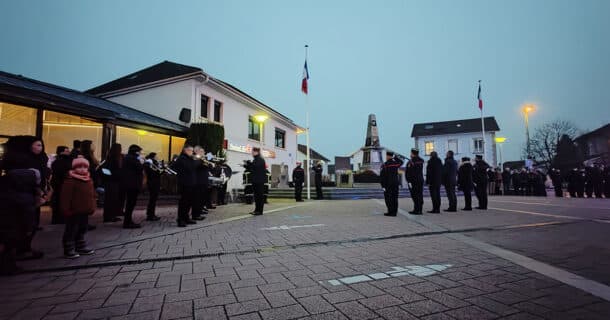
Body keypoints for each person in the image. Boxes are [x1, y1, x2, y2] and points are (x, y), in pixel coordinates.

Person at [0, 136, 49, 259]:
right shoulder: (21, 161)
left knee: (30, 223)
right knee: (21, 224)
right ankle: (17, 251)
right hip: (22, 197)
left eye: (41, 145)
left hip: (31, 196)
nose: (40, 148)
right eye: (37, 145)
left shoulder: (38, 159)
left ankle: (23, 248)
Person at [60, 157, 96, 258]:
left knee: (82, 228)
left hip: (85, 210)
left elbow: (92, 194)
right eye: (79, 167)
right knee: (71, 229)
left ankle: (80, 246)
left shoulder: (88, 179)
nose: (82, 169)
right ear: (74, 168)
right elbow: (65, 196)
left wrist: (92, 206)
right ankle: (69, 248)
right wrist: (66, 209)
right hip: (73, 210)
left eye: (85, 167)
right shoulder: (71, 180)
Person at [171, 145, 198, 227]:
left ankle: (186, 218)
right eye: (190, 150)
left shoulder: (189, 159)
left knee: (189, 202)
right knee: (184, 203)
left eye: (192, 150)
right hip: (185, 184)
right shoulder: (182, 159)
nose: (192, 152)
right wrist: (196, 160)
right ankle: (180, 219)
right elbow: (190, 168)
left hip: (191, 183)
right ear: (185, 150)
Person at [120, 145, 144, 229]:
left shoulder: (128, 158)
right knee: (130, 204)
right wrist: (141, 161)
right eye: (140, 152)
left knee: (130, 204)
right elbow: (140, 168)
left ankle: (128, 221)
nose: (141, 153)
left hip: (130, 184)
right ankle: (127, 222)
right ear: (136, 152)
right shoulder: (132, 159)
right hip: (132, 184)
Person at [102, 143, 124, 223]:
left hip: (112, 181)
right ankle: (109, 217)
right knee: (111, 199)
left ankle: (111, 216)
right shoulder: (113, 158)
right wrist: (115, 175)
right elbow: (109, 170)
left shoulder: (110, 157)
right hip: (112, 181)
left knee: (111, 199)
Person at [50, 146, 72, 224]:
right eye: (66, 151)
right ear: (61, 152)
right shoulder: (61, 162)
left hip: (58, 183)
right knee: (59, 201)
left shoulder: (58, 161)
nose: (68, 152)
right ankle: (59, 218)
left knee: (59, 200)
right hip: (60, 183)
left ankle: (58, 218)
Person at [245, 147, 267, 215]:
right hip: (256, 180)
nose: (252, 153)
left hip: (259, 181)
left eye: (252, 152)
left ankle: (259, 211)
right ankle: (256, 210)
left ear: (256, 152)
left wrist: (249, 163)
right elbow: (253, 169)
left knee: (259, 196)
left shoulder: (260, 159)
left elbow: (256, 167)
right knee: (256, 196)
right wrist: (246, 166)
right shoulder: (256, 159)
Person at [380, 151, 403, 216]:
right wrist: (396, 157)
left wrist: (383, 186)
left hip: (388, 184)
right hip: (395, 183)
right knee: (395, 198)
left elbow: (382, 176)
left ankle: (390, 212)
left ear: (387, 156)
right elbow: (401, 162)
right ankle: (394, 212)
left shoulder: (385, 165)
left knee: (388, 198)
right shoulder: (396, 163)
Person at [192, 146, 209, 220]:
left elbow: (207, 168)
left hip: (204, 182)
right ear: (197, 151)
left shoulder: (202, 159)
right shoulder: (195, 158)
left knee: (201, 199)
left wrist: (207, 162)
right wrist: (200, 160)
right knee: (197, 199)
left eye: (203, 152)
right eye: (202, 152)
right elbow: (195, 166)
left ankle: (199, 212)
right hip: (197, 182)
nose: (203, 153)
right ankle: (195, 215)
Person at [143, 152, 161, 221]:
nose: (157, 157)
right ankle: (150, 215)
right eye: (156, 156)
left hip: (154, 182)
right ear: (153, 156)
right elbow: (151, 173)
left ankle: (151, 214)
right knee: (152, 199)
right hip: (153, 183)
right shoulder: (149, 163)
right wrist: (158, 171)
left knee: (153, 199)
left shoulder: (154, 163)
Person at [406, 148, 424, 215]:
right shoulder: (421, 160)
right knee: (420, 195)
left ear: (412, 153)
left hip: (413, 181)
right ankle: (420, 209)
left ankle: (417, 210)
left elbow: (409, 172)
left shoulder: (411, 162)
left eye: (411, 153)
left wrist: (409, 181)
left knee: (415, 195)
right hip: (420, 180)